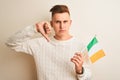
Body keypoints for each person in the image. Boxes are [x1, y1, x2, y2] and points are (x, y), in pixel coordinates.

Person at [6, 5, 91, 80]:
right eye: (57, 22)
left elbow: (88, 78)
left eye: (65, 21)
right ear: (52, 23)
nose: (62, 26)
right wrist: (34, 28)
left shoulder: (81, 46)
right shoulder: (40, 43)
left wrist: (80, 70)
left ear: (70, 23)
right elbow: (10, 43)